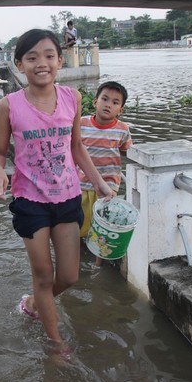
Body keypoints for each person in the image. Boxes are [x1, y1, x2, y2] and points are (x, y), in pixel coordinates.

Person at [0, 29, 115, 356]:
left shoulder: (72, 98)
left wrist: (98, 182)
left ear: (60, 60)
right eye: (31, 57)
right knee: (44, 276)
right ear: (19, 64)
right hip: (30, 201)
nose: (41, 63)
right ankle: (55, 344)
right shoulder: (9, 105)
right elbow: (0, 151)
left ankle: (32, 303)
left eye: (48, 56)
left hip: (67, 196)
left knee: (70, 276)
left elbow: (76, 147)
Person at [78, 81, 132, 266]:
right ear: (95, 102)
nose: (108, 104)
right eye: (105, 99)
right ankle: (77, 256)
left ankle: (97, 265)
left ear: (121, 110)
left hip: (108, 188)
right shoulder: (81, 124)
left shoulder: (122, 130)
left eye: (115, 102)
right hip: (81, 185)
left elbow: (128, 151)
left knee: (103, 228)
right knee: (78, 224)